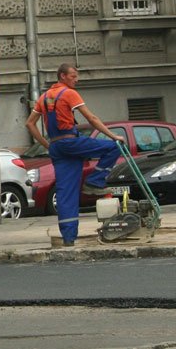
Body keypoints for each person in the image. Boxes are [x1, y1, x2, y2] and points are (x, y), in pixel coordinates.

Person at [25, 63, 125, 247]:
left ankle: (68, 237)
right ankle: (94, 182)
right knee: (112, 148)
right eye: (73, 76)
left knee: (65, 192)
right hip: (71, 142)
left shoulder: (44, 97)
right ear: (62, 76)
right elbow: (91, 118)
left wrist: (46, 144)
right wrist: (113, 136)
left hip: (57, 147)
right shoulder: (69, 93)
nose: (76, 80)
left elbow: (30, 123)